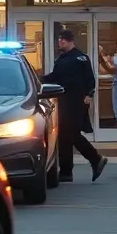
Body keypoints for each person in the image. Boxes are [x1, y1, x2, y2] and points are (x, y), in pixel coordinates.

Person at [42, 29, 109, 182]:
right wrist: (39, 79)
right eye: (59, 40)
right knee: (65, 136)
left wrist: (89, 95)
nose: (61, 42)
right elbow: (55, 77)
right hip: (63, 102)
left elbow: (90, 80)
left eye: (63, 40)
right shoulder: (61, 59)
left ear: (71, 41)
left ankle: (95, 159)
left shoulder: (81, 58)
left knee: (71, 135)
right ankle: (67, 172)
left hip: (76, 103)